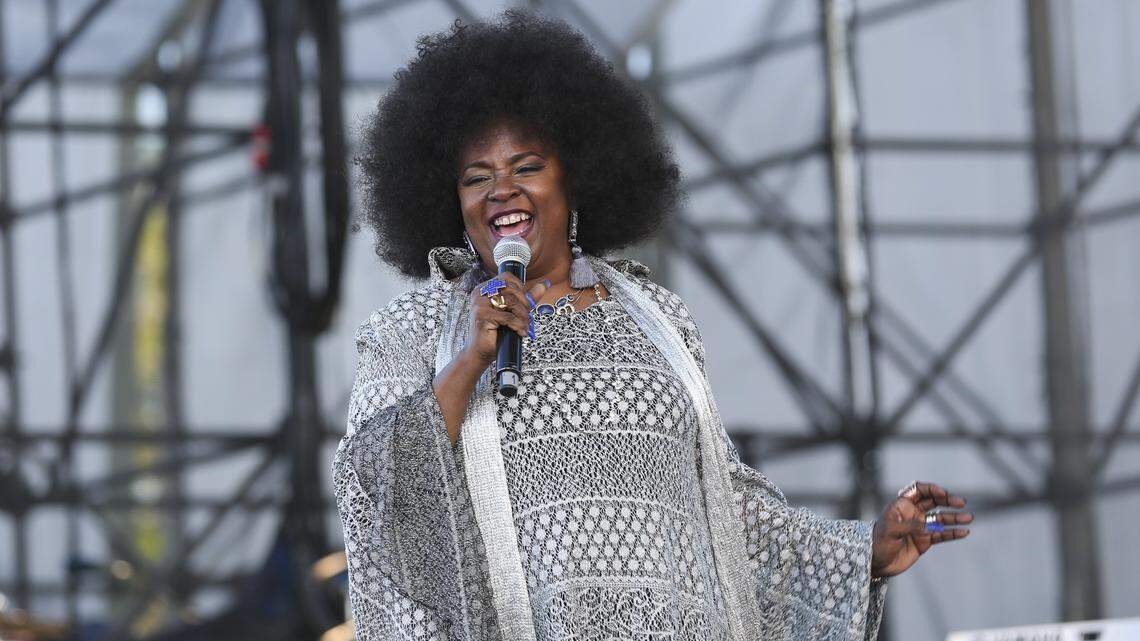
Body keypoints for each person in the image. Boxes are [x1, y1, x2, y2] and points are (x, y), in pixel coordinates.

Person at [333, 10, 972, 641]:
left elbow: (726, 513)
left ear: (575, 178)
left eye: (526, 167)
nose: (501, 190)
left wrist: (867, 553)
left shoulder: (658, 319)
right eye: (477, 178)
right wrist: (467, 362)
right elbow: (375, 497)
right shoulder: (412, 331)